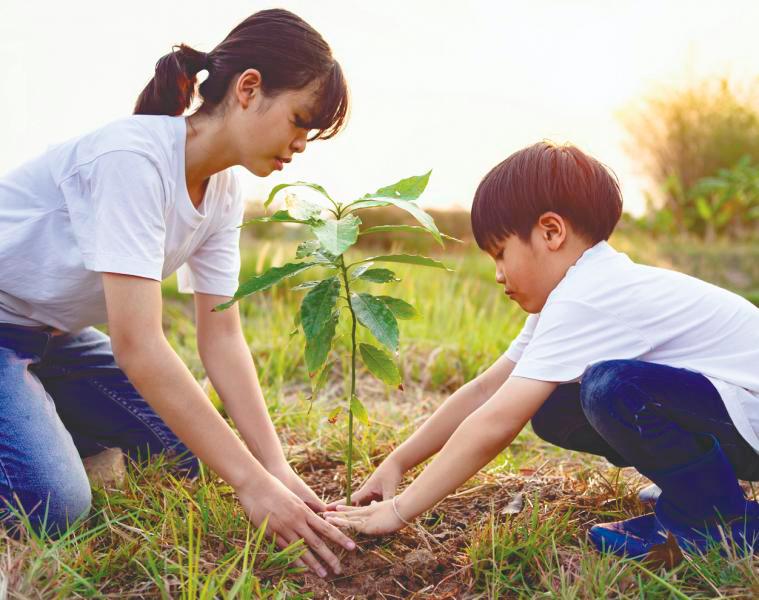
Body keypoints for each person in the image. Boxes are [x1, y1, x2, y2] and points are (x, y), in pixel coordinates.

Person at [0, 8, 355, 578]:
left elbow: (222, 338)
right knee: (55, 506)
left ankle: (30, 405)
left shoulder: (223, 192)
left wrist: (275, 469)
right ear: (248, 89)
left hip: (52, 339)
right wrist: (249, 486)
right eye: (298, 120)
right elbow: (138, 347)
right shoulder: (133, 159)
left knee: (180, 451)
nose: (301, 143)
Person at [325, 142, 759, 558]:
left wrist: (399, 511)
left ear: (551, 232)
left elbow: (497, 421)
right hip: (734, 413)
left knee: (610, 387)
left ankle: (717, 520)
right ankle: (697, 487)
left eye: (501, 253)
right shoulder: (575, 290)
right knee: (555, 407)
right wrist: (398, 463)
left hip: (749, 416)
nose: (497, 274)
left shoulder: (587, 296)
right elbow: (485, 393)